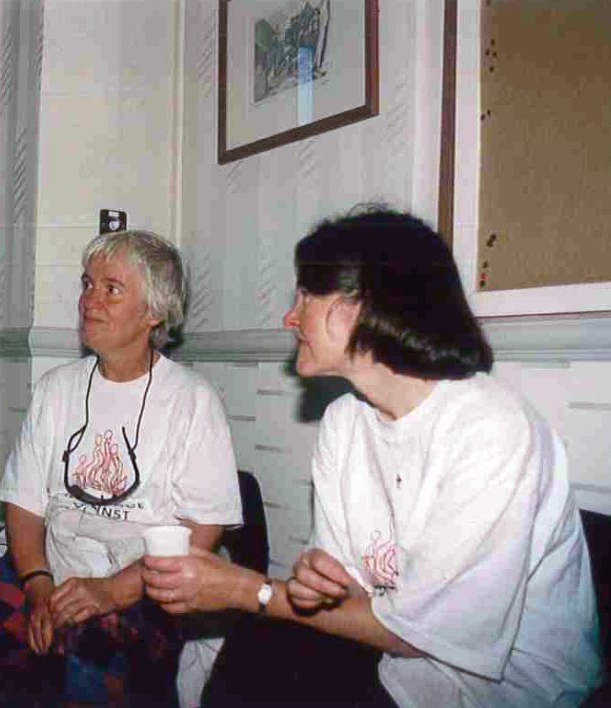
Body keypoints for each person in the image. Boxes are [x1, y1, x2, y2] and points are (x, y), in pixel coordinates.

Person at [142, 209, 604, 706]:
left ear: (360, 308)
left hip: (508, 691)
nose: (289, 317)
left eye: (305, 296)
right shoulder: (344, 422)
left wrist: (246, 590)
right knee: (259, 649)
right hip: (397, 662)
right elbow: (350, 600)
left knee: (265, 627)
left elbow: (424, 635)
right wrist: (317, 585)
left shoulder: (492, 429)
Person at [0, 229, 243, 704]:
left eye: (111, 288)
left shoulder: (193, 401)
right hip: (53, 570)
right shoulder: (55, 389)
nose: (89, 300)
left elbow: (203, 531)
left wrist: (113, 591)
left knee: (91, 653)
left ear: (154, 312)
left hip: (143, 584)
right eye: (87, 284)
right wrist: (39, 585)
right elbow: (24, 506)